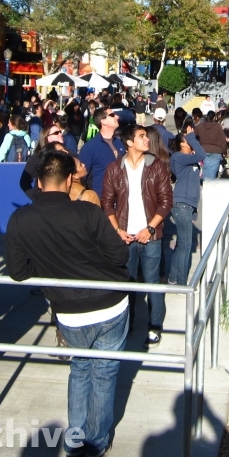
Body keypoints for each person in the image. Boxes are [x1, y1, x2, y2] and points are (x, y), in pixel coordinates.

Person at [6, 151, 130, 457]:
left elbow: (18, 271)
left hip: (68, 311)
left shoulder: (20, 219)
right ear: (71, 178)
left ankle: (76, 439)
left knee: (80, 368)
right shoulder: (87, 213)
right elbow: (120, 256)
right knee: (103, 374)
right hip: (110, 304)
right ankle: (95, 442)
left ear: (37, 181)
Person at [100, 124, 172, 346]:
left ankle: (154, 325)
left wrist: (149, 228)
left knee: (152, 283)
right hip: (126, 237)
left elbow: (166, 202)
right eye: (141, 136)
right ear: (129, 142)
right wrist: (118, 230)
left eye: (146, 136)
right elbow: (107, 203)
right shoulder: (114, 169)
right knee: (127, 282)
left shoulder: (156, 166)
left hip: (150, 236)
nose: (147, 140)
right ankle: (127, 324)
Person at [165, 129, 205, 285]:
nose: (193, 143)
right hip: (181, 205)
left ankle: (173, 278)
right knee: (185, 246)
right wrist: (191, 137)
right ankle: (182, 283)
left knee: (182, 244)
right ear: (183, 144)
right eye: (189, 141)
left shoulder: (188, 159)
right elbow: (202, 155)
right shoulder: (178, 157)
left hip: (188, 206)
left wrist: (194, 210)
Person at [78, 108, 125, 197]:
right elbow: (81, 179)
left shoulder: (119, 143)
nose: (117, 117)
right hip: (100, 203)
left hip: (121, 201)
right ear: (103, 121)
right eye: (112, 115)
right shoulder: (90, 148)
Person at [194, 110, 227, 181]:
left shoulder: (199, 126)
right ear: (214, 117)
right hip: (216, 151)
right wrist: (224, 151)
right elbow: (223, 140)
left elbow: (193, 136)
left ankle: (205, 185)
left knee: (205, 169)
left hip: (203, 150)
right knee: (213, 172)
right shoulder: (218, 127)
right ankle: (210, 186)